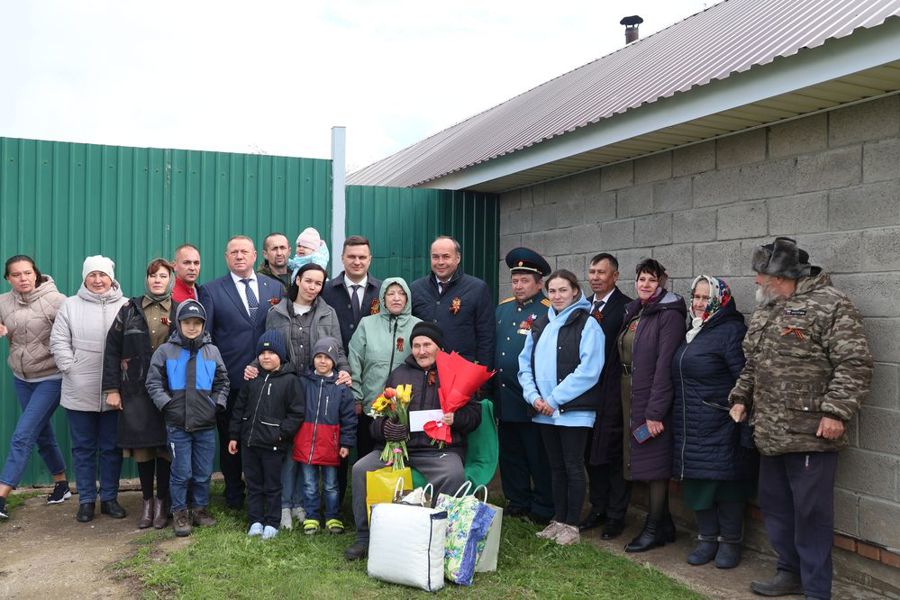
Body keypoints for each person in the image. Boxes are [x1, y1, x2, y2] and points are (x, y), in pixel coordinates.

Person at [729, 237, 872, 600]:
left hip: (811, 432)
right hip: (770, 431)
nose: (757, 282)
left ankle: (816, 588)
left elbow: (854, 364)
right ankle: (788, 572)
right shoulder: (767, 309)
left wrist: (836, 412)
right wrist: (741, 398)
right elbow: (754, 363)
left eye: (761, 275)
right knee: (776, 508)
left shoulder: (831, 304)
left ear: (779, 276)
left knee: (811, 514)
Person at [344, 322, 482, 561]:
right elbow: (378, 417)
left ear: (439, 347)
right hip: (399, 449)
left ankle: (439, 538)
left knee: (453, 474)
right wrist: (386, 428)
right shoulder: (399, 374)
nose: (421, 351)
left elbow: (474, 416)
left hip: (438, 451)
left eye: (427, 344)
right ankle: (365, 536)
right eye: (416, 345)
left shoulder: (455, 373)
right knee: (360, 469)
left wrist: (455, 418)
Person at [258, 261, 350, 530]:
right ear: (297, 280)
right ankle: (285, 505)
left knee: (305, 447)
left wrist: (343, 371)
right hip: (285, 385)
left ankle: (301, 503)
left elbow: (338, 349)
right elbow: (270, 348)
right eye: (308, 281)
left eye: (318, 283)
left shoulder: (327, 313)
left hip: (314, 387)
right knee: (286, 448)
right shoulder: (276, 312)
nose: (313, 287)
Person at [672, 275, 755, 569]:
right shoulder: (694, 330)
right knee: (698, 483)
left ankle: (730, 542)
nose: (697, 302)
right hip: (690, 424)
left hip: (720, 422)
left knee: (725, 485)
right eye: (695, 296)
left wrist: (736, 411)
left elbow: (744, 377)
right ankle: (706, 538)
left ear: (720, 299)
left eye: (705, 298)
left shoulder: (731, 331)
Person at [517, 269, 605, 546]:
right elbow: (524, 365)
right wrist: (534, 397)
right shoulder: (540, 324)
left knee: (572, 466)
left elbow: (589, 369)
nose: (557, 296)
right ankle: (559, 519)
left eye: (563, 290)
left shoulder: (587, 324)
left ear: (575, 292)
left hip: (572, 411)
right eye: (552, 291)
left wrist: (554, 399)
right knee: (555, 467)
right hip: (543, 410)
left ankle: (572, 525)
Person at [199, 235, 283, 509]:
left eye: (244, 252)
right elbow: (206, 336)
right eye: (233, 252)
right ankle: (234, 494)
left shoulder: (275, 287)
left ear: (256, 255)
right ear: (226, 257)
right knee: (231, 438)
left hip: (269, 378)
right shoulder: (212, 290)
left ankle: (270, 495)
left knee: (269, 437)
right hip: (231, 379)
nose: (239, 256)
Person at [49, 255, 128, 523]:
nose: (97, 280)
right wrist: (70, 367)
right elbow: (58, 341)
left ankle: (109, 498)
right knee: (83, 448)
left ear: (111, 278)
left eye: (102, 275)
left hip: (114, 390)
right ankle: (85, 500)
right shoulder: (70, 306)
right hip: (79, 387)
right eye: (92, 275)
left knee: (111, 447)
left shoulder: (126, 306)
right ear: (85, 278)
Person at [102, 258, 177, 529]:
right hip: (135, 390)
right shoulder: (128, 310)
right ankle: (147, 502)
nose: (157, 280)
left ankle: (163, 502)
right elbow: (112, 350)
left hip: (171, 391)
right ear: (146, 280)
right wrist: (112, 389)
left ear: (171, 279)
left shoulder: (180, 310)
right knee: (144, 449)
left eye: (163, 275)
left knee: (166, 448)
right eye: (153, 276)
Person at [618, 258, 686, 552]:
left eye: (651, 280)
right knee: (638, 458)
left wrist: (656, 411)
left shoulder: (669, 315)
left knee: (655, 462)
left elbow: (665, 364)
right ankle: (667, 523)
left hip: (651, 397)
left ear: (663, 282)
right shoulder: (637, 311)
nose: (645, 285)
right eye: (641, 279)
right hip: (629, 392)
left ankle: (655, 526)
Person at [146, 299, 230, 537]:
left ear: (203, 325)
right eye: (187, 322)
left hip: (205, 423)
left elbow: (223, 381)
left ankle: (200, 509)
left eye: (197, 323)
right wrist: (167, 404)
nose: (192, 327)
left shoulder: (212, 351)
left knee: (203, 472)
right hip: (178, 424)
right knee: (182, 472)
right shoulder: (166, 351)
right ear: (178, 323)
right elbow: (153, 382)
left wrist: (216, 404)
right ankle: (180, 511)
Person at [0, 255, 71, 520]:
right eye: (16, 275)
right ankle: (61, 483)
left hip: (51, 378)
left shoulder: (56, 301)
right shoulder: (3, 302)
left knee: (23, 435)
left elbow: (73, 333)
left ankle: (1, 497)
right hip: (22, 377)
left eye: (27, 273)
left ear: (36, 274)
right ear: (8, 278)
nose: (23, 279)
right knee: (41, 434)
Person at [319, 235, 381, 507]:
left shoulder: (382, 290)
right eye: (351, 256)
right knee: (338, 445)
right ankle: (336, 504)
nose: (357, 261)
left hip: (372, 383)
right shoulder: (326, 291)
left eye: (362, 257)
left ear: (370, 260)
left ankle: (368, 502)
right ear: (342, 258)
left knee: (369, 443)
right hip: (334, 378)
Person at [493, 247, 554, 523]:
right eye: (515, 280)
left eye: (524, 280)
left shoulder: (547, 310)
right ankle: (517, 500)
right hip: (505, 396)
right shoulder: (503, 309)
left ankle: (543, 506)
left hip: (531, 398)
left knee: (537, 455)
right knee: (511, 453)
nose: (518, 285)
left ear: (539, 283)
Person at [228, 330, 304, 540]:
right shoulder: (252, 379)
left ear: (281, 355)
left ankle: (272, 522)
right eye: (262, 353)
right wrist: (235, 435)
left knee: (272, 485)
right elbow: (239, 408)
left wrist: (281, 434)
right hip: (249, 443)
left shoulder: (290, 380)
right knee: (253, 484)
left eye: (271, 352)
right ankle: (255, 521)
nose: (266, 357)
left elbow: (296, 413)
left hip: (273, 445)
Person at [583, 253, 632, 539]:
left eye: (602, 272)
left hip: (613, 390)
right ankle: (597, 507)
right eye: (592, 272)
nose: (595, 277)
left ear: (615, 276)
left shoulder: (625, 307)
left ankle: (616, 515)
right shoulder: (583, 305)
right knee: (591, 453)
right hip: (586, 391)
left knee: (612, 454)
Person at [348, 277, 420, 459]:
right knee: (368, 457)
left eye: (401, 293)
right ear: (383, 298)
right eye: (391, 293)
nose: (396, 298)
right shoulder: (367, 324)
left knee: (399, 458)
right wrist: (356, 398)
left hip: (404, 408)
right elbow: (355, 360)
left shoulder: (418, 326)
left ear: (407, 298)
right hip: (371, 406)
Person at [293, 337, 356, 535]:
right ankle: (312, 516)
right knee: (310, 484)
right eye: (319, 356)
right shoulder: (303, 383)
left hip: (331, 443)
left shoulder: (341, 387)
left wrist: (345, 443)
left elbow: (349, 418)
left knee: (331, 485)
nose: (322, 361)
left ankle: (332, 516)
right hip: (307, 442)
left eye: (327, 358)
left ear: (334, 362)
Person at [410, 236, 495, 369]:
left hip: (461, 372)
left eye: (446, 256)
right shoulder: (416, 288)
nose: (440, 262)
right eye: (435, 257)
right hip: (424, 372)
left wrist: (482, 380)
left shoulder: (477, 289)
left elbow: (486, 337)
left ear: (458, 258)